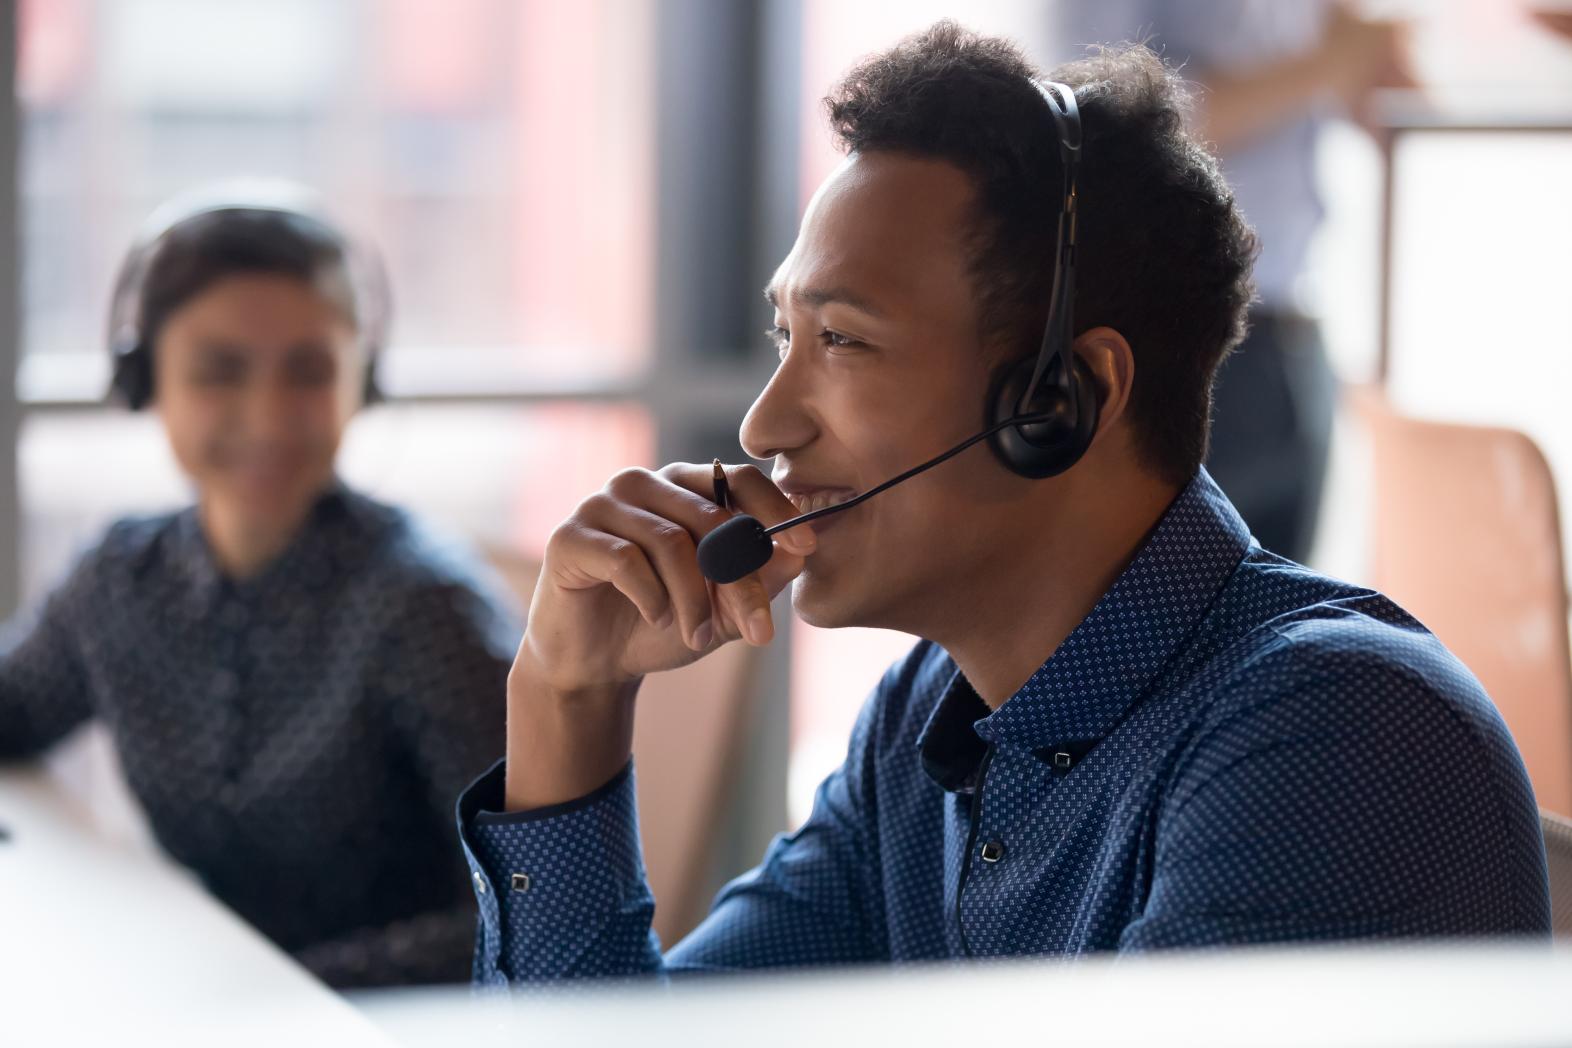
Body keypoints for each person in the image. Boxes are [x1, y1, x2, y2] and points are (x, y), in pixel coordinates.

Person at [456, 25, 1549, 988]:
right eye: (789, 337)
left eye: (842, 341)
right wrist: (566, 700)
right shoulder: (932, 723)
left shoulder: (1330, 737)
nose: (765, 427)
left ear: (1063, 399)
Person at [0, 189, 518, 987]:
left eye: (309, 370)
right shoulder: (118, 581)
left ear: (362, 381)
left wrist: (268, 989)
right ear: (146, 380)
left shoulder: (423, 609)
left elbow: (523, 911)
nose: (269, 417)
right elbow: (12, 711)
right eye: (220, 370)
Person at [1055, 0, 1416, 563]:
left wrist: (1373, 65)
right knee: (1160, 606)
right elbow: (1100, 117)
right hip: (1173, 335)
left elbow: (1382, 99)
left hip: (1295, 328)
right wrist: (1324, 64)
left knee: (1287, 614)